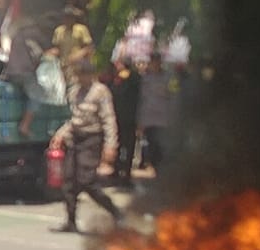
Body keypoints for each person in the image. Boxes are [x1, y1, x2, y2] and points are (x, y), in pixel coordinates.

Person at [49, 58, 123, 234]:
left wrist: (110, 145)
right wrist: (60, 134)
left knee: (86, 180)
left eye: (84, 75)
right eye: (79, 75)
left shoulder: (100, 92)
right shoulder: (74, 92)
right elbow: (74, 120)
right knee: (68, 181)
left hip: (92, 138)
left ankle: (116, 212)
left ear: (92, 75)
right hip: (76, 138)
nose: (81, 78)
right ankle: (71, 221)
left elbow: (109, 120)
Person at [138, 52, 174, 175]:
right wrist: (140, 121)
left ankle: (161, 171)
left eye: (157, 61)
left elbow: (174, 96)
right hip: (148, 118)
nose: (155, 64)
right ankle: (155, 168)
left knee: (161, 145)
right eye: (152, 61)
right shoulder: (144, 78)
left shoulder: (169, 77)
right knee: (151, 145)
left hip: (163, 118)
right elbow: (140, 100)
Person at [109, 57, 142, 187]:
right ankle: (117, 170)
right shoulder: (118, 78)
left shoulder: (132, 78)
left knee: (128, 146)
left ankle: (126, 173)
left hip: (129, 117)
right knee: (119, 144)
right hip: (118, 117)